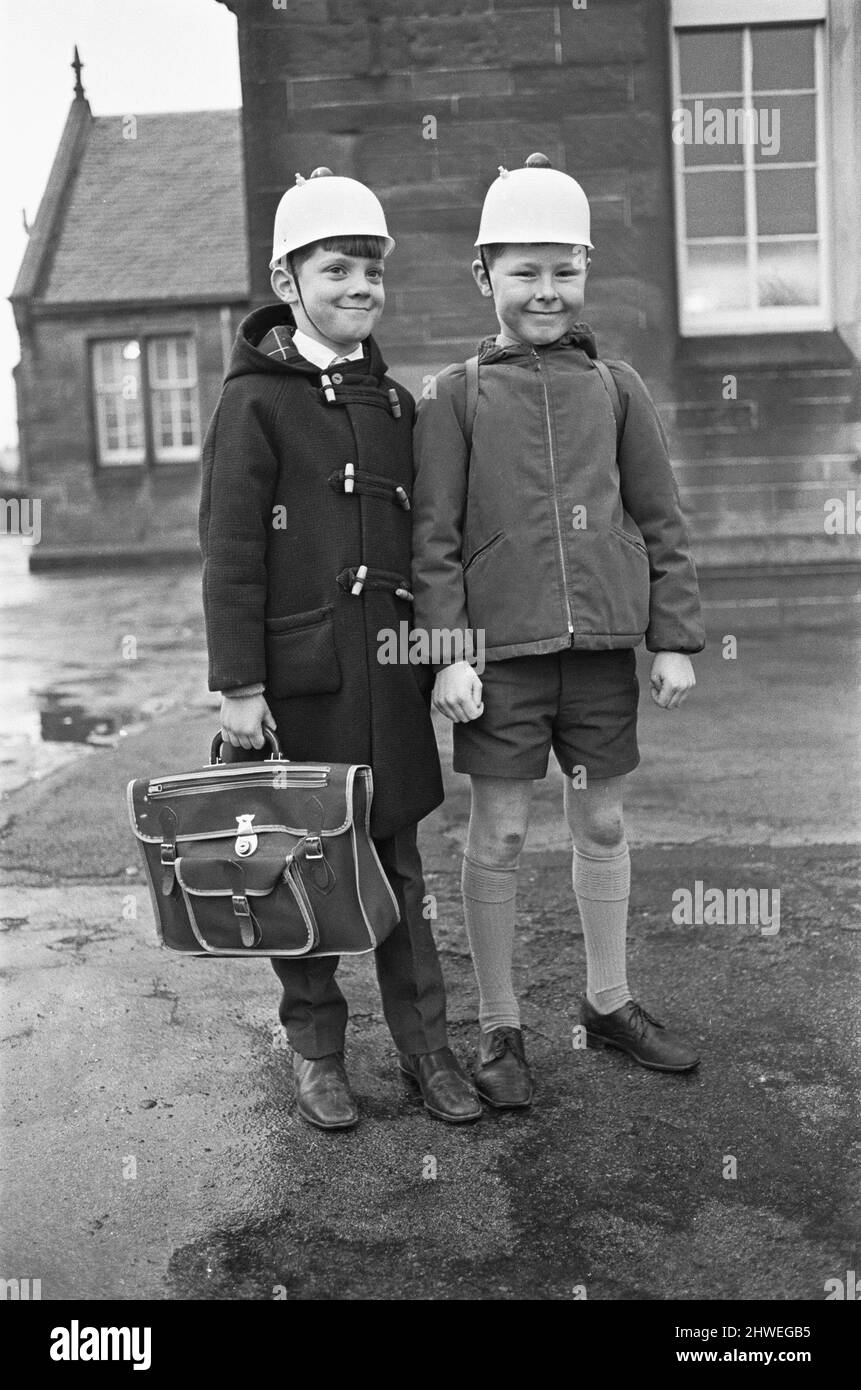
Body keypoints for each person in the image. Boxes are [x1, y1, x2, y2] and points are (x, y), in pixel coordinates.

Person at [411, 155, 706, 1110]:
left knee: (605, 819)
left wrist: (671, 637)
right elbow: (436, 538)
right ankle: (500, 1028)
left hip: (601, 659)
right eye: (523, 271)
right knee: (496, 832)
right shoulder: (455, 393)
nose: (545, 290)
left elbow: (661, 519)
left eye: (563, 270)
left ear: (584, 271)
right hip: (498, 667)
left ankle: (610, 1001)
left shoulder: (617, 387)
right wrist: (447, 653)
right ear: (483, 276)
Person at [198, 168, 481, 1129]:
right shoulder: (255, 403)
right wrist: (238, 684)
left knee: (403, 874)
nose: (358, 287)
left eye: (371, 270)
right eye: (336, 269)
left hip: (391, 678)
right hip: (300, 683)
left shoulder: (396, 405)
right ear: (288, 280)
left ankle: (426, 1052)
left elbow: (423, 546)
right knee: (301, 869)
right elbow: (231, 552)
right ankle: (317, 1053)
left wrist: (443, 649)